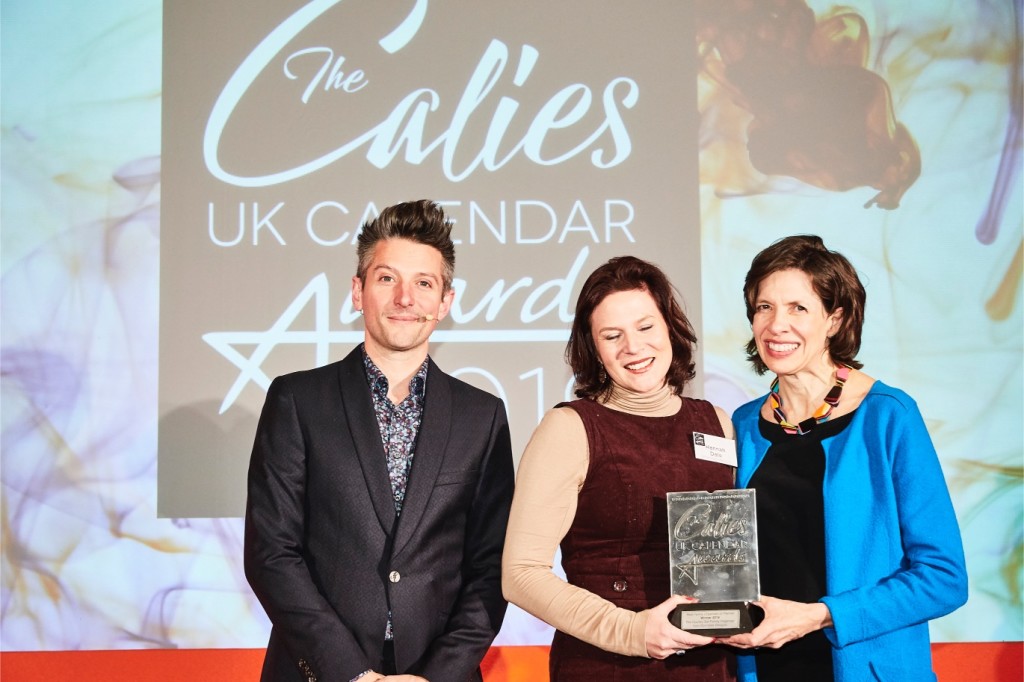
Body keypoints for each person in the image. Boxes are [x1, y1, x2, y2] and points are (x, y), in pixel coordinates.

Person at [244, 200, 515, 682]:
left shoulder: (483, 415)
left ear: (445, 302)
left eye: (424, 283)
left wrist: (436, 675)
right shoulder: (297, 400)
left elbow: (491, 566)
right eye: (388, 278)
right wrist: (349, 672)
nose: (405, 298)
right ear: (358, 290)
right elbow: (271, 553)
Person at [723, 235, 968, 681]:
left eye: (799, 308)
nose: (777, 325)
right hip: (763, 669)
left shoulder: (888, 416)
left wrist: (819, 615)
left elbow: (943, 578)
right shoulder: (739, 425)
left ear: (835, 319)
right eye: (764, 307)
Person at [502, 256, 737, 681]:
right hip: (608, 666)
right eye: (613, 335)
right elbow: (520, 574)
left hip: (709, 667)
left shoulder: (716, 422)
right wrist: (632, 631)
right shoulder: (570, 428)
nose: (633, 347)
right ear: (594, 348)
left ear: (670, 327)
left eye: (645, 327)